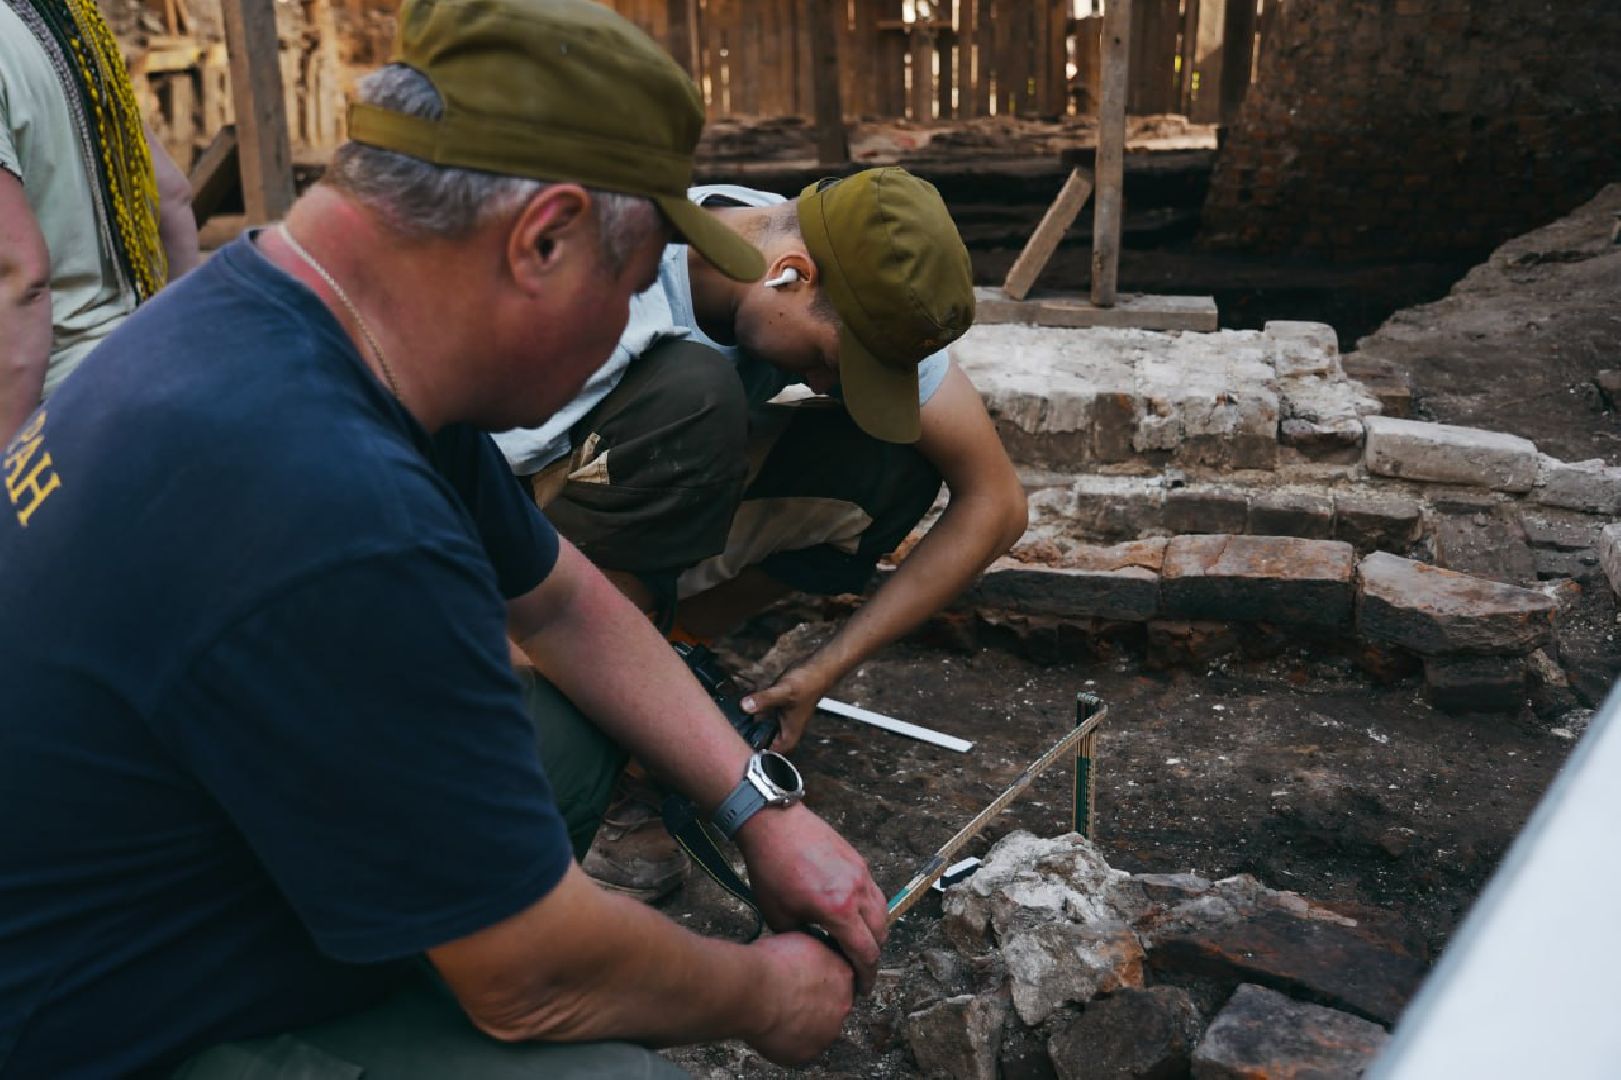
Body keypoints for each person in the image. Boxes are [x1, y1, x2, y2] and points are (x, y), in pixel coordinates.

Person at [0, 0, 886, 1075]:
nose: (628, 327)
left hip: (177, 857)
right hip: (88, 1020)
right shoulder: (328, 504)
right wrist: (767, 994)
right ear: (543, 239)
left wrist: (758, 808)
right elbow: (531, 985)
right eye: (627, 284)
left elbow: (562, 603)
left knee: (574, 723)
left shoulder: (281, 315)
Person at [495, 170, 1029, 900]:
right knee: (694, 393)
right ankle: (597, 721)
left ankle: (668, 647)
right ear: (791, 274)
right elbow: (444, 513)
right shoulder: (608, 289)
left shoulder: (856, 279)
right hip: (512, 555)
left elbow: (996, 503)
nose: (826, 385)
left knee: (887, 464)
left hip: (643, 518)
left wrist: (824, 668)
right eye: (827, 361)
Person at [0, 0, 200, 445]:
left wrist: (9, 464)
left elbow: (21, 277)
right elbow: (172, 194)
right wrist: (183, 359)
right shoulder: (70, 20)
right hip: (136, 370)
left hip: (51, 411)